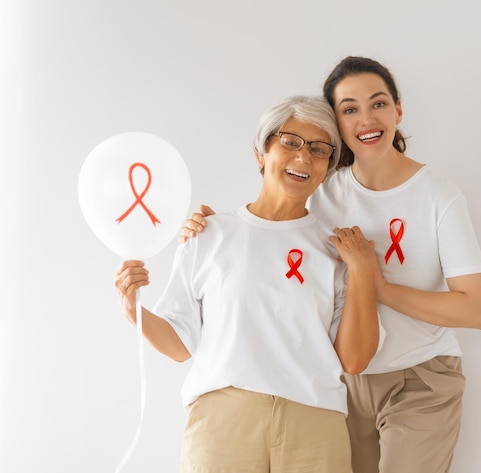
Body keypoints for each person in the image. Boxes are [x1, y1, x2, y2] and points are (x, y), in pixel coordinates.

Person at [180, 56, 481, 473]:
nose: (367, 118)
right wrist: (208, 227)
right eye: (349, 109)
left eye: (378, 103)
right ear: (337, 126)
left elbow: (476, 309)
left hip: (421, 377)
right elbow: (268, 231)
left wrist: (377, 286)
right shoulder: (320, 191)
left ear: (398, 110)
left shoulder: (438, 195)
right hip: (343, 381)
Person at [115, 95, 381, 473]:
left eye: (319, 149)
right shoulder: (208, 235)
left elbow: (354, 360)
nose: (304, 157)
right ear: (261, 152)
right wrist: (132, 310)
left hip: (315, 423)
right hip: (224, 421)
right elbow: (179, 346)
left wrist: (362, 270)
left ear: (327, 167)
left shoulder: (337, 250)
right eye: (290, 142)